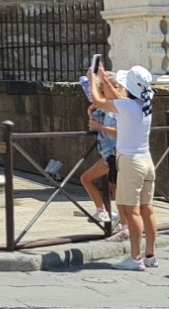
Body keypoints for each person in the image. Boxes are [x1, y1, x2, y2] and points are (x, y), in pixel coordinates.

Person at [88, 63, 157, 270]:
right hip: (146, 160)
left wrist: (92, 80)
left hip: (130, 162)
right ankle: (150, 256)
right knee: (148, 210)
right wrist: (105, 78)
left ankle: (135, 258)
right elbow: (117, 98)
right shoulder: (144, 103)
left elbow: (98, 100)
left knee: (132, 211)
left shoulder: (125, 106)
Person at [80, 75, 119, 229]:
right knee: (114, 186)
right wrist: (91, 114)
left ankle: (105, 211)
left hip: (112, 153)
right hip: (110, 153)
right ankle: (112, 214)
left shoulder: (116, 108)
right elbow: (93, 125)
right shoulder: (105, 108)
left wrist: (98, 126)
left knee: (88, 179)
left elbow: (117, 131)